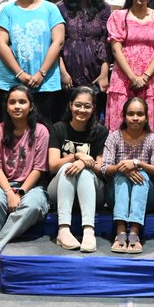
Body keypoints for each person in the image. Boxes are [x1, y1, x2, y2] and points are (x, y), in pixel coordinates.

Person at [0, 86, 51, 277]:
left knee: (33, 205)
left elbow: (38, 168)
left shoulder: (41, 131)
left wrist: (20, 193)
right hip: (3, 184)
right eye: (12, 102)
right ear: (6, 107)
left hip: (31, 187)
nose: (17, 106)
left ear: (31, 106)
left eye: (22, 102)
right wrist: (9, 192)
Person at [0, 0, 66, 123]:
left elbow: (58, 42)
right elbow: (0, 44)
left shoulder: (51, 9)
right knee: (7, 129)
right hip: (9, 81)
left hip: (44, 82)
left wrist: (41, 73)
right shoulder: (8, 10)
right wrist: (20, 74)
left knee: (42, 130)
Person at [106, 0, 154, 130]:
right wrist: (133, 77)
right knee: (121, 121)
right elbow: (116, 48)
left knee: (152, 122)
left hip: (152, 76)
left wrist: (146, 76)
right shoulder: (118, 16)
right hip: (123, 76)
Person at [49, 87, 108, 253]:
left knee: (85, 172)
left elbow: (101, 169)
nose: (82, 110)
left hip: (92, 192)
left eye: (87, 106)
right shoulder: (58, 128)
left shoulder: (101, 131)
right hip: (59, 190)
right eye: (78, 105)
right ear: (70, 105)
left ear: (94, 108)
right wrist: (77, 157)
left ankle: (89, 231)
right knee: (68, 166)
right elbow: (53, 166)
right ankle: (63, 230)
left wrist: (84, 164)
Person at [102, 97, 154, 254]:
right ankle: (121, 230)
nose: (135, 118)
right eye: (130, 114)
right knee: (122, 175)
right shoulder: (114, 136)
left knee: (141, 173)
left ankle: (134, 231)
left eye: (140, 114)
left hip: (148, 197)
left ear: (147, 117)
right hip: (115, 196)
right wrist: (122, 167)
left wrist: (137, 163)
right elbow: (104, 169)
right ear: (123, 116)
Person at [58, 0, 111, 100]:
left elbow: (105, 41)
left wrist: (104, 74)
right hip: (68, 71)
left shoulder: (104, 8)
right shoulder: (61, 8)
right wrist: (63, 73)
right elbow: (56, 43)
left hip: (96, 71)